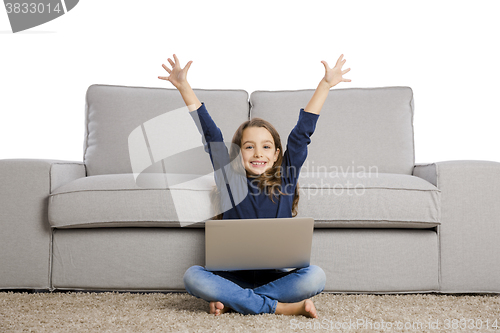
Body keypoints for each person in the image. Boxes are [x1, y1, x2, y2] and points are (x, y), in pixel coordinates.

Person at [158, 54, 351, 318]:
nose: (258, 153)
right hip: (231, 278)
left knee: (315, 277)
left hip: (277, 279)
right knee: (193, 276)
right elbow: (211, 136)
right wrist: (184, 88)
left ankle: (233, 302)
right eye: (249, 147)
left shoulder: (286, 178)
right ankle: (278, 307)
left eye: (266, 147)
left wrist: (325, 86)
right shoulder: (230, 180)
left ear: (276, 155)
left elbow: (301, 136)